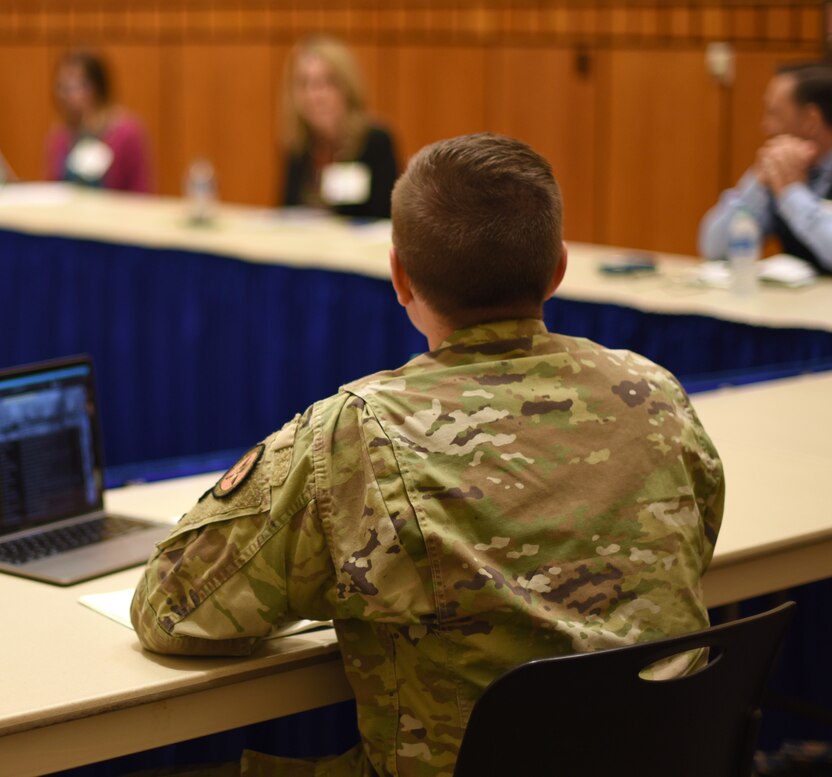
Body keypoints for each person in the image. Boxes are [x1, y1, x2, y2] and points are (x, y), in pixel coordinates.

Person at [132, 133, 725, 777]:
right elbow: (700, 535)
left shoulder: (360, 433)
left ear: (399, 277)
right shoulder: (654, 395)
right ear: (557, 269)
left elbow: (172, 611)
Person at [699, 62, 832, 274]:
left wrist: (793, 195)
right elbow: (715, 250)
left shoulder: (788, 182)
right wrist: (756, 182)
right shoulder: (781, 173)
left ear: (811, 121)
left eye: (774, 114)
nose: (765, 126)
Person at [280, 35, 399, 220]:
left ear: (347, 87)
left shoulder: (375, 141)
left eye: (327, 83)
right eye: (305, 84)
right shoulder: (299, 146)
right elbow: (287, 213)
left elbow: (385, 219)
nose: (315, 96)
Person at [45, 50, 153, 194]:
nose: (67, 95)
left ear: (97, 87)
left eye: (75, 86)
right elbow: (52, 191)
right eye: (62, 87)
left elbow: (141, 193)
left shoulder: (126, 134)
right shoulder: (60, 137)